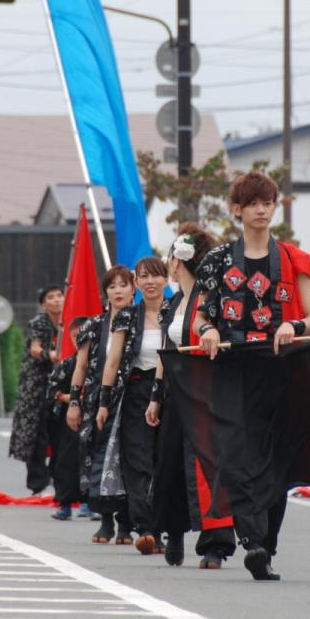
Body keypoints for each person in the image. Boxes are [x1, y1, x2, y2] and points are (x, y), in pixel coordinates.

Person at [194, 170, 310, 582]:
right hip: (231, 369)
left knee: (276, 461)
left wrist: (294, 327)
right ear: (237, 210)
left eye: (268, 202)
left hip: (280, 369)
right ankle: (251, 540)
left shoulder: (291, 258)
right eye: (253, 204)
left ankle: (266, 545)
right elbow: (199, 317)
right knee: (233, 453)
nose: (262, 209)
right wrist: (208, 329)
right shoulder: (216, 261)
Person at [148, 223, 236, 569]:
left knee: (207, 466)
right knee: (169, 463)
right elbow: (165, 350)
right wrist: (156, 396)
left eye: (170, 256)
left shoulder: (209, 300)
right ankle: (174, 531)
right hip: (174, 390)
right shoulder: (174, 303)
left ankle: (215, 543)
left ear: (177, 261)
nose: (167, 262)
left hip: (205, 390)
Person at [95, 256, 169, 555]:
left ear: (166, 279)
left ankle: (164, 528)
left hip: (171, 394)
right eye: (143, 277)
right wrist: (103, 401)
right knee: (138, 463)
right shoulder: (126, 316)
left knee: (165, 461)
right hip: (136, 391)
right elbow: (112, 361)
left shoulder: (177, 313)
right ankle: (146, 529)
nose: (150, 282)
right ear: (136, 283)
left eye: (156, 276)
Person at [67, 265, 136, 545]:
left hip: (133, 397)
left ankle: (127, 523)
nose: (118, 291)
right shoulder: (93, 325)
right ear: (105, 292)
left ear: (134, 288)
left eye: (124, 285)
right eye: (112, 286)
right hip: (98, 399)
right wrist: (74, 401)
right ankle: (106, 520)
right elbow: (81, 365)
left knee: (129, 459)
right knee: (98, 456)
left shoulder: (146, 320)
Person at [9, 285, 64, 494]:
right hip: (36, 385)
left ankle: (59, 481)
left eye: (60, 295)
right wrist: (50, 355)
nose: (57, 300)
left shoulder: (70, 320)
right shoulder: (39, 322)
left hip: (61, 383)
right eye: (51, 297)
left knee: (60, 434)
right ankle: (38, 483)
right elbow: (35, 349)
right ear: (43, 304)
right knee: (36, 435)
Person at [46, 317, 88, 520]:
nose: (79, 339)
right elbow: (52, 390)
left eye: (83, 334)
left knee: (90, 458)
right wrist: (71, 399)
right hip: (68, 420)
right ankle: (64, 503)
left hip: (94, 417)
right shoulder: (67, 364)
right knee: (65, 461)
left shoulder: (100, 362)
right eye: (75, 336)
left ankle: (90, 502)